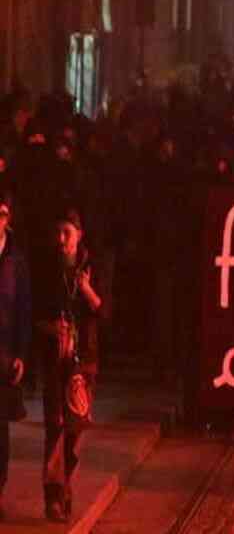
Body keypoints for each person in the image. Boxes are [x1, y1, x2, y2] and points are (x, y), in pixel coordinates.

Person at [33, 208, 104, 522]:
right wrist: (51, 328)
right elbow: (33, 314)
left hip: (83, 362)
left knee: (74, 430)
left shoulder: (93, 267)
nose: (61, 240)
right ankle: (52, 497)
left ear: (79, 235)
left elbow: (106, 312)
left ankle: (67, 489)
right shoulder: (47, 269)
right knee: (54, 427)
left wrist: (88, 290)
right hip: (55, 360)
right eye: (58, 233)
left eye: (67, 233)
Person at [0, 195, 31, 522]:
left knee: (0, 430)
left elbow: (24, 309)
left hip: (5, 356)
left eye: (2, 214)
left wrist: (22, 354)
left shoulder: (16, 261)